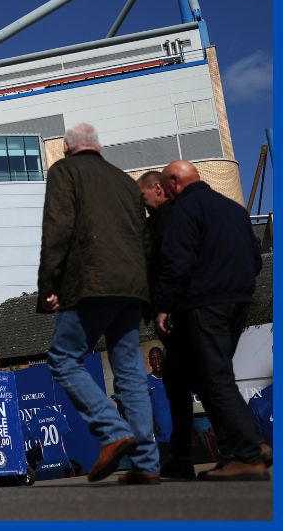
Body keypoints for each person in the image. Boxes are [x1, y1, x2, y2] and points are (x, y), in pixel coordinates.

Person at [38, 123, 159, 485]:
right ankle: (146, 464)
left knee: (63, 358)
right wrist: (147, 290)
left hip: (90, 282)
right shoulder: (125, 181)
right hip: (132, 286)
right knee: (131, 373)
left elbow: (57, 229)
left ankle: (112, 430)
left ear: (66, 149)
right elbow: (144, 239)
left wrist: (49, 286)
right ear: (100, 147)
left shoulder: (64, 171)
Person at [154, 159, 268, 481]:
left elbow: (177, 263)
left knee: (215, 378)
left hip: (205, 303)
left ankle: (249, 452)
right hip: (240, 299)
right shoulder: (234, 210)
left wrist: (164, 305)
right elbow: (256, 260)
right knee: (215, 375)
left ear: (175, 181)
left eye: (166, 185)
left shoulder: (184, 210)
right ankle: (241, 450)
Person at [138, 170, 197, 480]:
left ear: (158, 189)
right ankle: (182, 455)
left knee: (204, 379)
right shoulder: (164, 220)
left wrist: (163, 306)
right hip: (178, 308)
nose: (141, 202)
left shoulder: (168, 220)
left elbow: (168, 264)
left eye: (143, 195)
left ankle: (245, 446)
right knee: (178, 381)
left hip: (178, 309)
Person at [145, 347, 173, 459]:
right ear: (150, 362)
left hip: (178, 434)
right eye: (153, 358)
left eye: (159, 357)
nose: (157, 360)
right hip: (159, 436)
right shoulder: (146, 381)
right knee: (165, 466)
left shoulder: (172, 378)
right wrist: (152, 423)